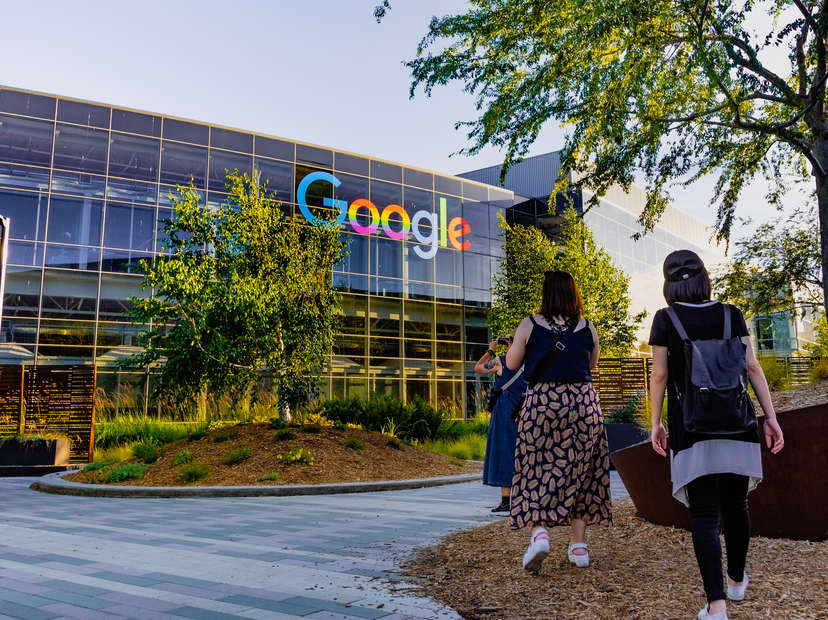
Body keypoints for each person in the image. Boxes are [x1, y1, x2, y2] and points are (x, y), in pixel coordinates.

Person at [648, 249, 785, 620]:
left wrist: (656, 422)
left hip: (692, 426)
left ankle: (717, 605)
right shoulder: (731, 314)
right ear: (704, 278)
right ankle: (737, 581)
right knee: (737, 506)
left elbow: (659, 375)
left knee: (705, 515)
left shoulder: (665, 319)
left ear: (669, 285)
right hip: (737, 422)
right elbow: (752, 367)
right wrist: (770, 418)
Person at [506, 270, 612, 573]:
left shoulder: (529, 324)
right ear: (573, 293)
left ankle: (540, 534)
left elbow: (511, 363)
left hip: (543, 402)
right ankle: (579, 547)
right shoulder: (588, 327)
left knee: (534, 467)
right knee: (584, 472)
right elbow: (591, 364)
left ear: (546, 293)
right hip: (583, 403)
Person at [474, 335, 526, 513]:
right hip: (524, 412)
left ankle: (506, 501)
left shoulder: (500, 362)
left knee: (504, 452)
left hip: (504, 413)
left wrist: (491, 349)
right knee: (524, 454)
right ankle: (524, 498)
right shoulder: (530, 363)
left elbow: (478, 368)